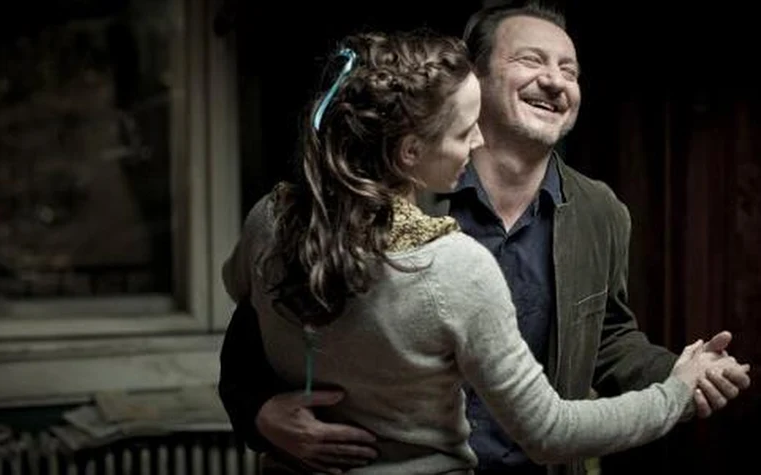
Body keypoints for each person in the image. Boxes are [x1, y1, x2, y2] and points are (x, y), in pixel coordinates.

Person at [218, 5, 753, 475]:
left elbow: (608, 336)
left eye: (569, 69)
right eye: (531, 60)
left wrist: (677, 374)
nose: (555, 80)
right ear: (475, 78)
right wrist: (258, 412)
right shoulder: (400, 212)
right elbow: (262, 325)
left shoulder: (601, 211)